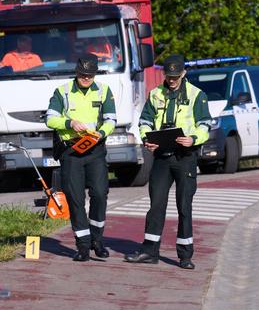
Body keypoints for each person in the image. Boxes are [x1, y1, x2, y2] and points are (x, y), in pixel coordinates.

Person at [125, 54, 211, 270]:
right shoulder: (155, 94)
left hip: (185, 157)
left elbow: (204, 126)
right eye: (168, 76)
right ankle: (149, 251)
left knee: (184, 206)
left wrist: (193, 139)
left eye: (175, 76)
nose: (171, 80)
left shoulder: (196, 95)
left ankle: (185, 255)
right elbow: (144, 122)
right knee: (156, 206)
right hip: (162, 157)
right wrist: (147, 139)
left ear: (183, 73)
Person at [46, 53, 117, 261]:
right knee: (75, 198)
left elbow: (111, 120)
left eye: (90, 75)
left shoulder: (104, 91)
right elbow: (50, 119)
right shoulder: (63, 91)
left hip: (95, 148)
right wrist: (69, 123)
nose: (86, 78)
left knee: (99, 193)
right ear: (76, 73)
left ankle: (97, 240)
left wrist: (101, 133)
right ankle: (83, 246)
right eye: (83, 74)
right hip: (71, 150)